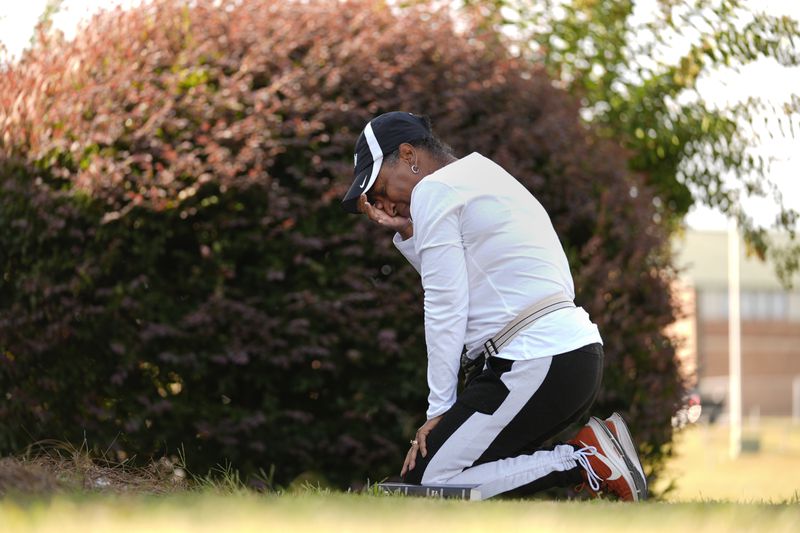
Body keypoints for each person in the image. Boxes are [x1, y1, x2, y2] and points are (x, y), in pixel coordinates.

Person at [341, 111, 648, 501]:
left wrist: (440, 408)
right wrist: (406, 231)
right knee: (419, 483)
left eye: (379, 186)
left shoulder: (433, 191)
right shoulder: (482, 175)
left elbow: (445, 303)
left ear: (408, 155)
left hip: (534, 360)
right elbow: (467, 279)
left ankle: (585, 458)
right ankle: (587, 458)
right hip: (563, 357)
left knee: (431, 484)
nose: (380, 201)